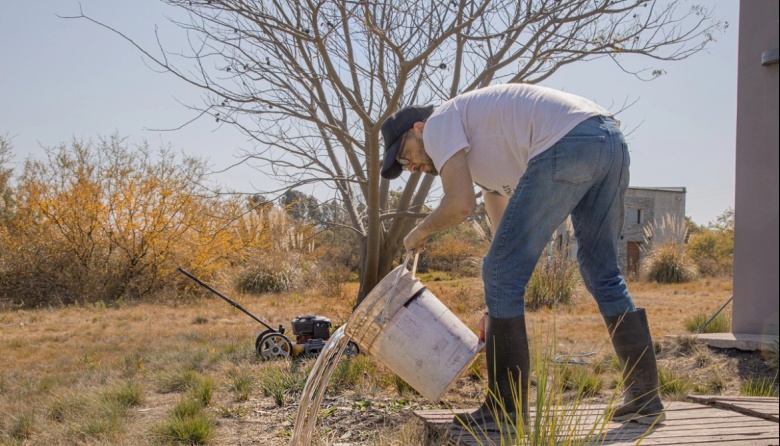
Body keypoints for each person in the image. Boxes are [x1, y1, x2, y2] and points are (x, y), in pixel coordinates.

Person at [379, 83, 665, 432]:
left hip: (570, 141)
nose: (409, 167)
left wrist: (419, 232)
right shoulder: (484, 156)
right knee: (601, 272)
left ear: (418, 128)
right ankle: (646, 399)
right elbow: (503, 243)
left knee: (504, 270)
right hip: (609, 141)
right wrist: (493, 307)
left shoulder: (438, 123)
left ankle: (504, 411)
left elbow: (459, 205)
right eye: (402, 165)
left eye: (404, 155)